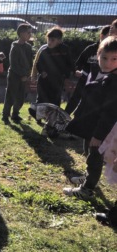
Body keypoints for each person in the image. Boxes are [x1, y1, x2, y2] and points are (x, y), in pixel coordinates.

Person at [63, 35, 117, 200]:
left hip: (103, 131)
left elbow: (110, 113)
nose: (108, 62)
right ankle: (89, 177)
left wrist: (98, 135)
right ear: (98, 56)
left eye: (114, 59)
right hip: (94, 125)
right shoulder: (106, 75)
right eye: (104, 57)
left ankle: (87, 188)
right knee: (89, 152)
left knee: (94, 156)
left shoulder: (113, 82)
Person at [65, 25, 110, 115]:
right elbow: (79, 63)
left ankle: (79, 120)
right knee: (75, 98)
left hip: (100, 82)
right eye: (108, 36)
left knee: (89, 103)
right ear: (102, 36)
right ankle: (63, 116)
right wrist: (77, 71)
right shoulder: (91, 49)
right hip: (85, 78)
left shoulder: (111, 53)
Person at [1, 24, 33, 125]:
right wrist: (22, 75)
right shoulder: (14, 46)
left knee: (21, 96)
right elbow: (13, 64)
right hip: (14, 75)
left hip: (24, 76)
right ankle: (5, 115)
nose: (30, 34)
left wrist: (27, 75)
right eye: (28, 32)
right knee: (10, 95)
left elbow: (30, 62)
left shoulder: (28, 47)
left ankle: (15, 114)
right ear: (21, 33)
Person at [35, 27, 73, 107]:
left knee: (55, 99)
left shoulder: (65, 50)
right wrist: (42, 72)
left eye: (52, 40)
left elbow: (69, 63)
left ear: (59, 41)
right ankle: (39, 117)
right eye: (48, 39)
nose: (49, 42)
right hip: (44, 80)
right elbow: (38, 64)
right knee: (42, 99)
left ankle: (53, 117)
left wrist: (67, 76)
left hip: (58, 80)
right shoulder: (44, 51)